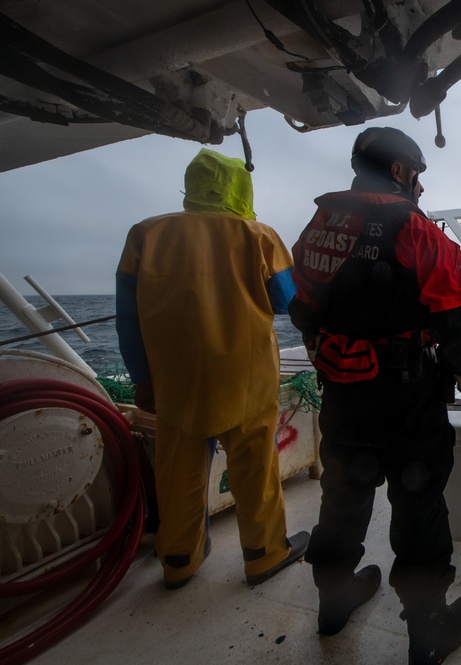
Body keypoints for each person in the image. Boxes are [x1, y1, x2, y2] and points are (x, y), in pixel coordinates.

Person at [288, 126, 461, 664]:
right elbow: (454, 318)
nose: (420, 187)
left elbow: (302, 305)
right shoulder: (416, 230)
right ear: (400, 171)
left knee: (343, 496)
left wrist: (328, 353)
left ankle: (333, 603)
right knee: (418, 502)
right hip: (406, 397)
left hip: (343, 395)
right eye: (418, 174)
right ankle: (427, 632)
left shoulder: (318, 226)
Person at [115, 148, 309, 590]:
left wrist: (142, 379)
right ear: (241, 188)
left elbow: (127, 317)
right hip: (246, 378)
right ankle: (264, 554)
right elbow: (287, 302)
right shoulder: (258, 235)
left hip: (174, 382)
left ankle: (179, 559)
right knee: (254, 467)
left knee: (178, 470)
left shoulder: (144, 235)